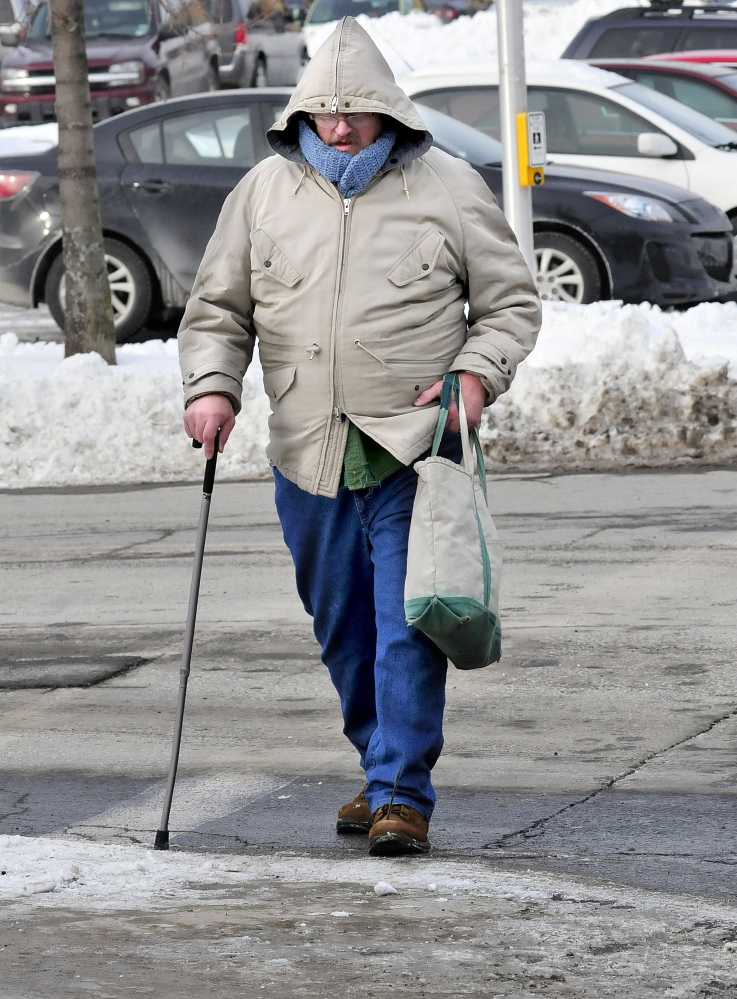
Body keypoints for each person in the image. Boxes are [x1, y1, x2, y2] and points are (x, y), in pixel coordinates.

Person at [178, 16, 541, 856]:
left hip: (410, 445)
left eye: (357, 112)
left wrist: (476, 374)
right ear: (303, 112)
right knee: (342, 627)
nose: (339, 127)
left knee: (405, 624)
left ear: (389, 112)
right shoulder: (263, 192)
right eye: (325, 112)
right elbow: (218, 312)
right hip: (306, 448)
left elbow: (510, 304)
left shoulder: (447, 185)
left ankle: (400, 793)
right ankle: (379, 762)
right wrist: (211, 386)